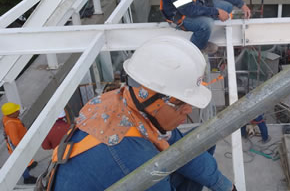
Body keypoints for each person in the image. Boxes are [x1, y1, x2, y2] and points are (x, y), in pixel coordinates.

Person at [52, 36, 236, 191]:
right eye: (181, 103)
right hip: (122, 167)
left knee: (200, 143)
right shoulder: (136, 161)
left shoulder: (122, 102)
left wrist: (225, 186)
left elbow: (184, 150)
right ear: (151, 99)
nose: (188, 110)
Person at [2, 102, 38, 184]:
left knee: (25, 159)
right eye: (16, 111)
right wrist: (23, 148)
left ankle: (28, 165)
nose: (19, 111)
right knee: (21, 161)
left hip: (19, 142)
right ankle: (27, 178)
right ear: (11, 114)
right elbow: (15, 141)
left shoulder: (8, 118)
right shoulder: (11, 125)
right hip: (17, 146)